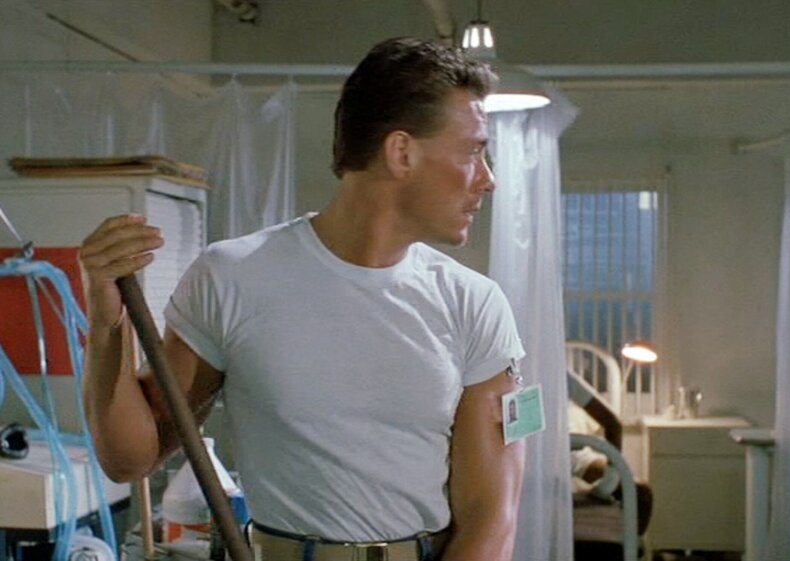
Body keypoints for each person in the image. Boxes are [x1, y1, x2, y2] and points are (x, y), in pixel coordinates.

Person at [79, 37, 527, 561]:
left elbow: (492, 517)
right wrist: (107, 324)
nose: (488, 180)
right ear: (402, 152)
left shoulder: (473, 304)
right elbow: (130, 458)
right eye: (473, 151)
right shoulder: (234, 277)